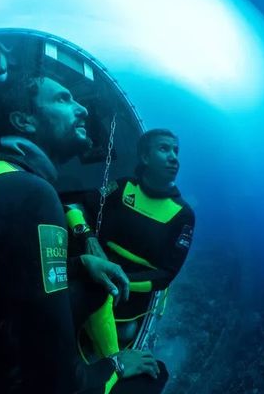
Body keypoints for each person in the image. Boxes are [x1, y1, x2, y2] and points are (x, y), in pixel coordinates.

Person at [0, 50, 167, 393]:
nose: (82, 108)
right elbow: (58, 386)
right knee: (152, 376)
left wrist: (78, 264)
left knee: (93, 283)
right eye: (63, 98)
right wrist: (114, 365)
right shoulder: (32, 193)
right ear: (24, 121)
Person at [63, 129, 196, 358]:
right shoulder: (122, 187)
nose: (174, 157)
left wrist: (117, 281)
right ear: (145, 157)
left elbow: (166, 275)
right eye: (164, 149)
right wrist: (88, 237)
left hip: (128, 295)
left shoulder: (183, 215)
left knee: (126, 332)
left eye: (176, 151)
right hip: (92, 270)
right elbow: (75, 207)